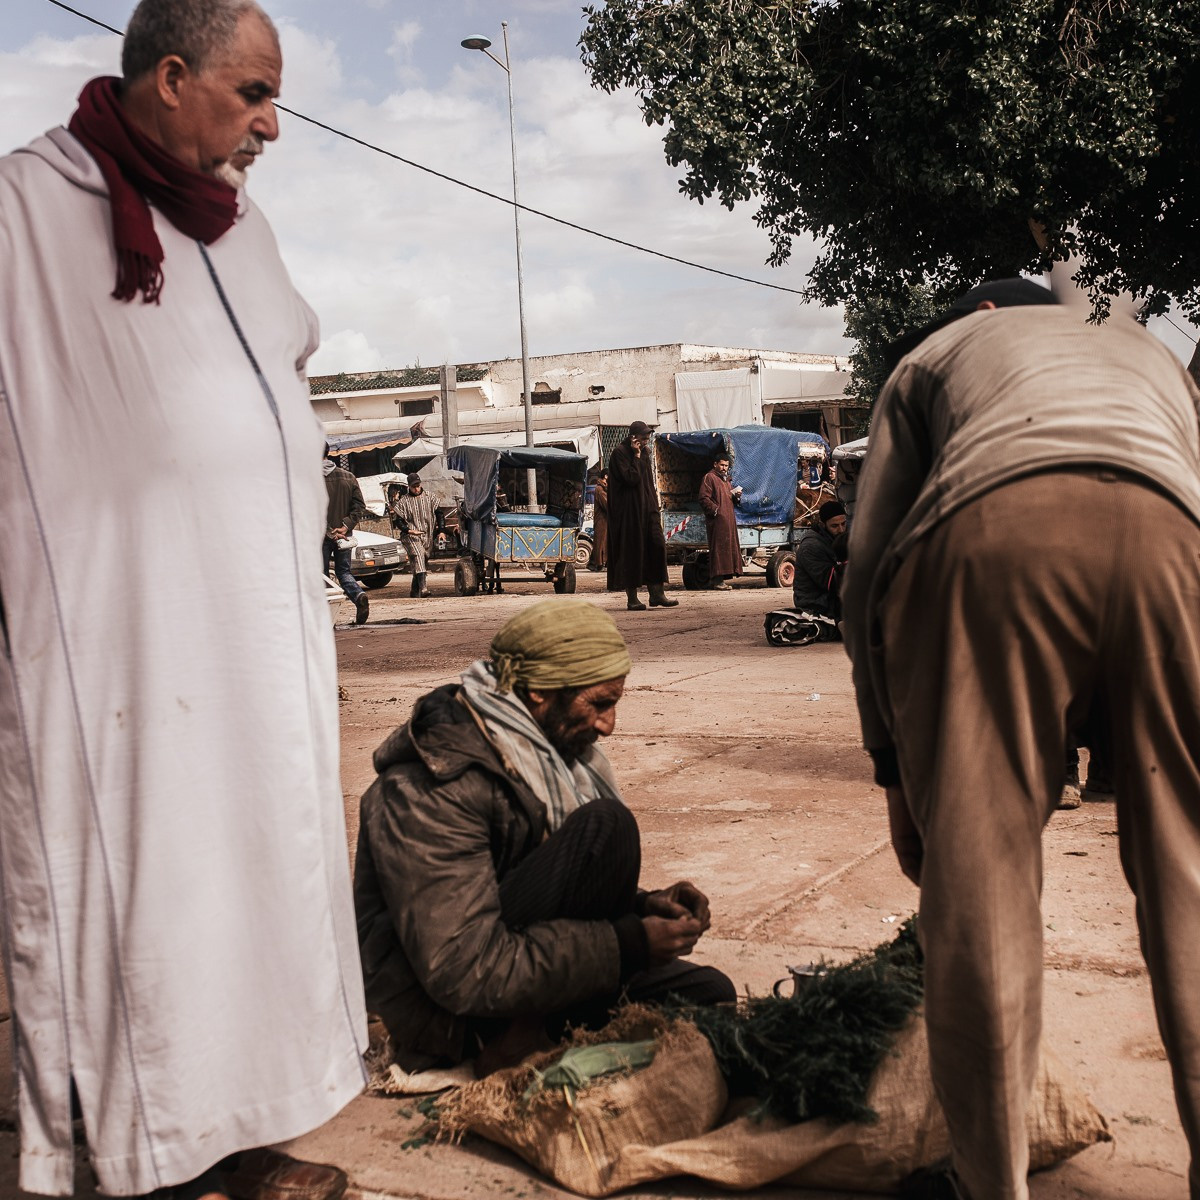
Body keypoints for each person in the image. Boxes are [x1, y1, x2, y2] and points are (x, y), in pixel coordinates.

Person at [0, 2, 369, 1197]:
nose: (273, 124)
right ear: (170, 77)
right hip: (122, 655)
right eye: (253, 94)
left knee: (258, 886)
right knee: (144, 908)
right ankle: (146, 1161)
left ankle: (244, 1138)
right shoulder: (24, 214)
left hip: (259, 649)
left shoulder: (239, 230)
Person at [841, 278, 1200, 1200]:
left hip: (990, 527)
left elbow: (866, 574)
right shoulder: (1152, 352)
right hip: (1177, 533)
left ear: (982, 317)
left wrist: (895, 770)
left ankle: (989, 1183)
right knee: (1190, 872)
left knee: (983, 884)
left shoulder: (933, 357)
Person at [354, 599, 734, 1075]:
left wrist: (642, 908)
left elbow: (537, 879)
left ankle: (546, 1023)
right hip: (445, 1010)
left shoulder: (544, 756)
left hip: (514, 955)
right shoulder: (434, 786)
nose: (608, 725)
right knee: (605, 828)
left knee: (709, 994)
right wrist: (627, 944)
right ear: (536, 693)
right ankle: (514, 1038)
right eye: (598, 704)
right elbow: (464, 969)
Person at [606, 420, 679, 610]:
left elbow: (646, 481)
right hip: (629, 512)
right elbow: (631, 479)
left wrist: (654, 505)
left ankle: (657, 594)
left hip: (648, 508)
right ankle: (632, 598)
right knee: (632, 552)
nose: (646, 441)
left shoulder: (645, 452)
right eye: (644, 437)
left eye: (647, 437)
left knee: (656, 545)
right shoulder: (620, 453)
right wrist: (636, 456)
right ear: (633, 438)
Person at [324, 443, 371, 624]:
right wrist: (345, 526)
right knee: (343, 571)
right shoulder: (349, 477)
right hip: (345, 536)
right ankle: (358, 595)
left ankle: (328, 617)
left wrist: (330, 532)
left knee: (322, 574)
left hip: (321, 536)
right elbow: (359, 506)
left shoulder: (310, 479)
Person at [792, 500, 848, 623]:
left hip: (832, 599)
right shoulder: (811, 546)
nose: (841, 530)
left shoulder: (839, 538)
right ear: (823, 525)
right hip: (815, 604)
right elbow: (832, 582)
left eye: (843, 524)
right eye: (835, 526)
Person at [697, 453, 743, 589]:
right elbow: (704, 498)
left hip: (728, 520)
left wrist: (736, 496)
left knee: (727, 550)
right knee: (718, 550)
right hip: (717, 521)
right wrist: (716, 510)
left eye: (726, 466)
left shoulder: (726, 480)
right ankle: (717, 581)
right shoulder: (709, 478)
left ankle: (721, 580)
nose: (724, 468)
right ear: (715, 464)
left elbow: (730, 499)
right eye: (722, 465)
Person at [390, 472, 436, 598]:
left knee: (422, 560)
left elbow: (439, 514)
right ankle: (424, 589)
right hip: (411, 536)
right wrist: (409, 531)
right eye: (413, 486)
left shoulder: (430, 497)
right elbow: (398, 520)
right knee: (418, 556)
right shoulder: (403, 502)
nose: (416, 489)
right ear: (408, 487)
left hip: (427, 534)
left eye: (418, 485)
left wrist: (441, 530)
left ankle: (414, 590)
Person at [587, 468, 610, 571]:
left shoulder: (603, 488)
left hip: (605, 520)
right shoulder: (600, 489)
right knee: (600, 542)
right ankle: (598, 564)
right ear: (606, 476)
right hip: (601, 520)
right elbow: (607, 505)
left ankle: (594, 563)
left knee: (601, 542)